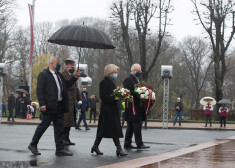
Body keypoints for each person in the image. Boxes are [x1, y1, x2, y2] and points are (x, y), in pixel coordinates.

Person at [28, 56, 80, 156]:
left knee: (59, 127)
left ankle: (59, 149)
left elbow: (67, 84)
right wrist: (42, 104)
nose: (59, 65)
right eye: (57, 63)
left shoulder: (59, 75)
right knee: (44, 126)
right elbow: (40, 90)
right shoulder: (44, 74)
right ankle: (33, 144)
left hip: (59, 105)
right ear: (51, 64)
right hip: (49, 105)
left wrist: (75, 76)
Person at [91, 64, 127, 156]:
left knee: (112, 129)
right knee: (106, 129)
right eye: (114, 72)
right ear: (109, 72)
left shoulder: (112, 81)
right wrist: (115, 98)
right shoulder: (104, 82)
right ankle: (117, 149)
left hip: (112, 109)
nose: (116, 74)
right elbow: (103, 96)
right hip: (107, 110)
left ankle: (98, 146)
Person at [123, 63, 150, 149]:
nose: (140, 72)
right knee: (137, 125)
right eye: (139, 71)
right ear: (134, 71)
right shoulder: (128, 79)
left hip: (137, 106)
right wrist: (140, 93)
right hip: (132, 107)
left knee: (131, 126)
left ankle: (127, 143)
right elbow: (128, 92)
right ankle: (139, 143)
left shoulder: (137, 79)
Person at [61, 58, 82, 145]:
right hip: (66, 101)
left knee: (70, 121)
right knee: (65, 121)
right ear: (67, 66)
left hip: (72, 101)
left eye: (73, 66)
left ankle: (67, 138)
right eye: (71, 66)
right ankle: (63, 139)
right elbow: (68, 85)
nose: (72, 68)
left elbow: (76, 89)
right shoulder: (63, 75)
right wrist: (75, 77)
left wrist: (79, 98)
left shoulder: (73, 76)